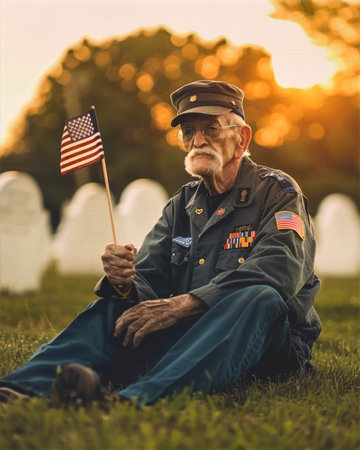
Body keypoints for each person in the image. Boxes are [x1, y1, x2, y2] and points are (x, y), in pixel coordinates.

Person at [0, 80, 322, 405]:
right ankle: (21, 387)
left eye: (210, 128)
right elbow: (149, 276)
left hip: (269, 345)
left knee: (259, 296)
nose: (197, 140)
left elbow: (278, 272)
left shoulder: (277, 193)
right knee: (111, 308)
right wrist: (125, 281)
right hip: (191, 338)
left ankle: (132, 399)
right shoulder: (181, 204)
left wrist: (183, 304)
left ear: (241, 138)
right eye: (188, 131)